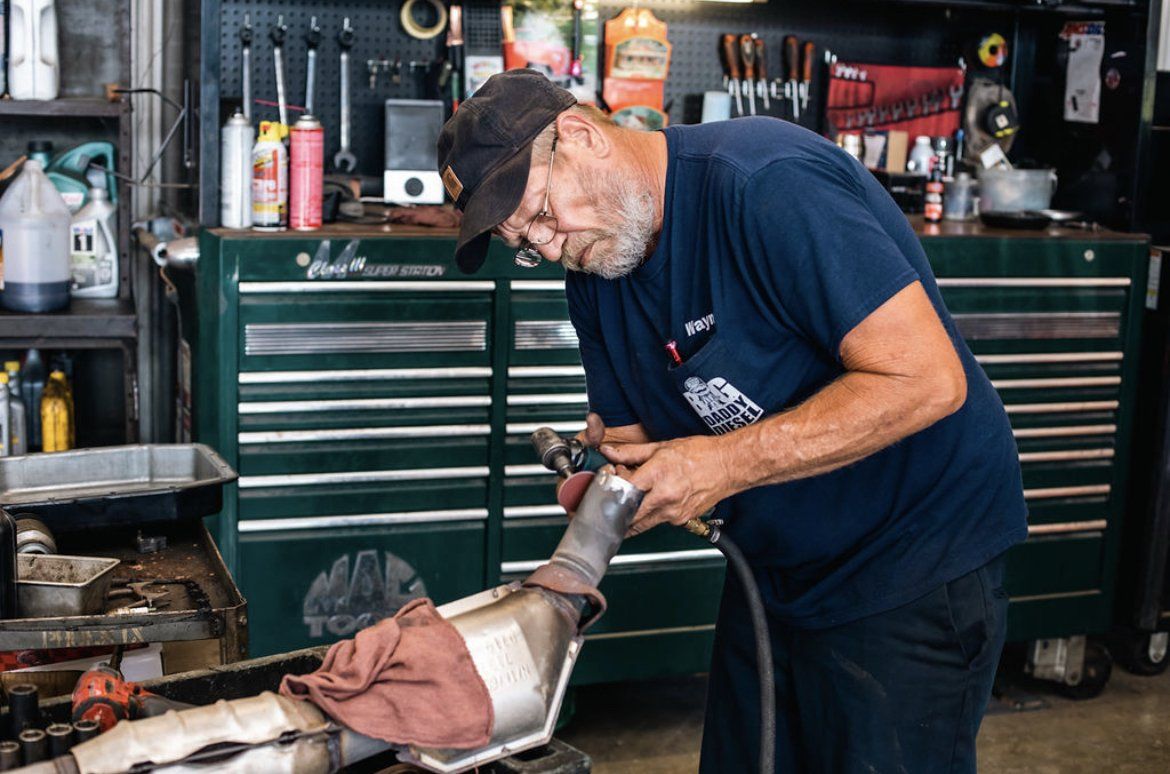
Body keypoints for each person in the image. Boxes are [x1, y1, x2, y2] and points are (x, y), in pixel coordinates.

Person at [437, 70, 1028, 772]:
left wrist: (718, 466)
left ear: (582, 135)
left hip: (912, 557)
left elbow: (927, 379)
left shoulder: (764, 184)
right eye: (524, 243)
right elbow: (631, 443)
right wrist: (600, 523)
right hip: (781, 572)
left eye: (539, 214)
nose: (550, 246)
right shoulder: (596, 273)